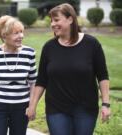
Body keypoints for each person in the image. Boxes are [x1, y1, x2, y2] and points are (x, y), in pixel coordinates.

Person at [26, 3, 110, 135]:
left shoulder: (91, 44)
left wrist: (106, 104)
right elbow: (41, 80)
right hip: (56, 108)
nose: (53, 24)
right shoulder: (49, 47)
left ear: (70, 20)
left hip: (85, 108)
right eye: (52, 21)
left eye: (57, 20)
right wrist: (33, 105)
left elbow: (103, 76)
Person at [0, 15, 37, 135]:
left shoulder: (29, 53)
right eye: (16, 33)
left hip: (21, 107)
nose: (21, 36)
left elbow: (33, 82)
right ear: (4, 36)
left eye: (21, 32)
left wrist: (32, 106)